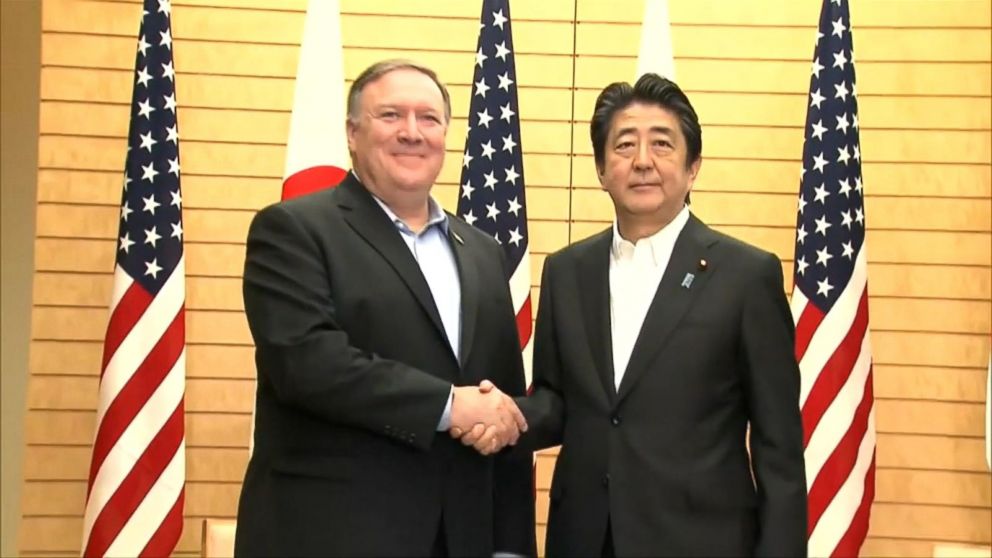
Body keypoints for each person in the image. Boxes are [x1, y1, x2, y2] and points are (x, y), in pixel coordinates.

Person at [460, 73, 808, 556]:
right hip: (585, 539)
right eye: (624, 145)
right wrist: (503, 415)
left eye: (662, 144)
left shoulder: (746, 276)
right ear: (602, 169)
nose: (642, 160)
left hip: (700, 542)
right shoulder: (567, 271)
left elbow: (778, 447)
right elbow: (559, 401)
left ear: (693, 167)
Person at [234, 59, 536, 558]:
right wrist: (449, 406)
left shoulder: (483, 253)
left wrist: (511, 547)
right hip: (331, 537)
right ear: (353, 133)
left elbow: (500, 404)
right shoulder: (293, 230)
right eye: (391, 115)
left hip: (460, 539)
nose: (412, 132)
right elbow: (306, 364)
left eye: (429, 118)